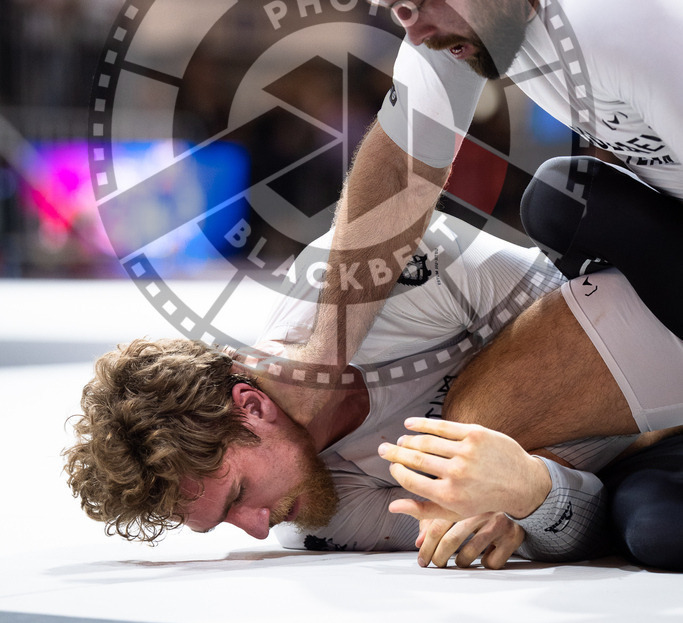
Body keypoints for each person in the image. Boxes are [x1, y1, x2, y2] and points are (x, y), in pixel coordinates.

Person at [266, 0, 683, 422]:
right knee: (560, 201)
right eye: (395, 11)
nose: (416, 33)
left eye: (414, 4)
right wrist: (324, 356)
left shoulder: (630, 7)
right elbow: (399, 164)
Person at [64, 209, 683, 570]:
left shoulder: (362, 272)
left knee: (557, 199)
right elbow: (579, 519)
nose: (257, 531)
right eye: (223, 525)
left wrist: (497, 461)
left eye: (238, 497)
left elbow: (573, 322)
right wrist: (527, 493)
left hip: (647, 320)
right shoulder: (313, 521)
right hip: (643, 463)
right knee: (653, 526)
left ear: (249, 407)